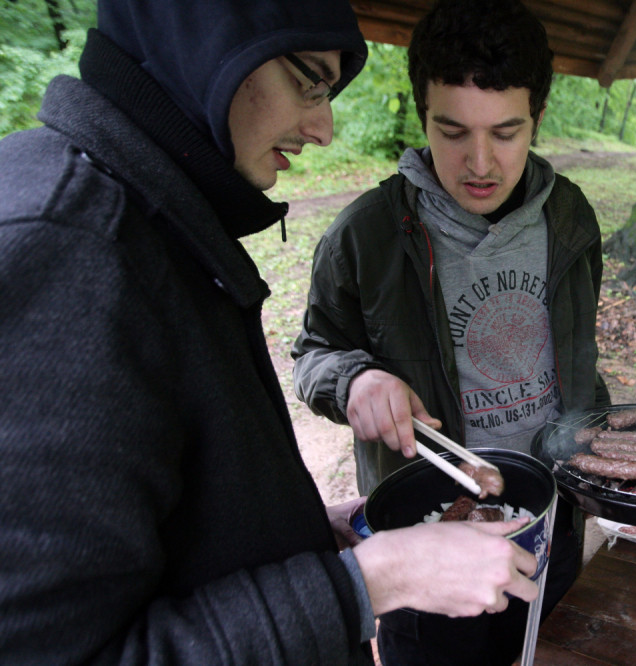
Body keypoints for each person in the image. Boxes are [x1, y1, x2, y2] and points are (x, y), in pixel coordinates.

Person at [0, 1, 542, 663]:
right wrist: (367, 582)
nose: (323, 125)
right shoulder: (66, 247)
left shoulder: (154, 224)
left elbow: (158, 531)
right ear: (204, 41)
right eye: (309, 80)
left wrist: (297, 536)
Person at [291, 0, 610, 662]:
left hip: (552, 522)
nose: (480, 163)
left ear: (538, 120)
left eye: (507, 132)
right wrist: (355, 378)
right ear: (422, 115)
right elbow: (314, 356)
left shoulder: (572, 219)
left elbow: (580, 356)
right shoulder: (366, 236)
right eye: (453, 130)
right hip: (427, 541)